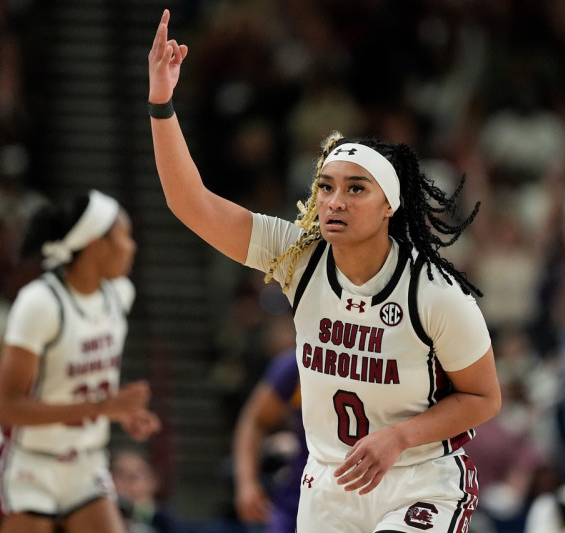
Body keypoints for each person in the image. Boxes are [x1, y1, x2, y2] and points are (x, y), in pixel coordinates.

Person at [148, 10, 501, 532]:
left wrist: (399, 437)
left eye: (356, 188)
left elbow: (483, 397)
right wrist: (161, 103)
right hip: (329, 487)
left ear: (390, 207)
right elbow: (190, 203)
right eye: (326, 186)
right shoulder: (297, 256)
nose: (335, 200)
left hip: (418, 480)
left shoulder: (435, 291)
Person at [0, 189, 161, 533]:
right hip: (29, 465)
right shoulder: (39, 304)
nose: (132, 247)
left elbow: (80, 384)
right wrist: (101, 406)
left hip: (85, 463)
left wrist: (121, 411)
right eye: (125, 236)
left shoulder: (119, 295)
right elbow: (6, 408)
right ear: (96, 245)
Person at [233, 348, 306, 533]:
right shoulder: (297, 363)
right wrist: (246, 482)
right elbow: (255, 421)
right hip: (302, 490)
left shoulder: (383, 357)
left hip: (371, 490)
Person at [111, 448, 176, 532]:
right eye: (120, 473)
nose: (127, 481)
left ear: (153, 482)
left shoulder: (168, 525)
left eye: (134, 476)